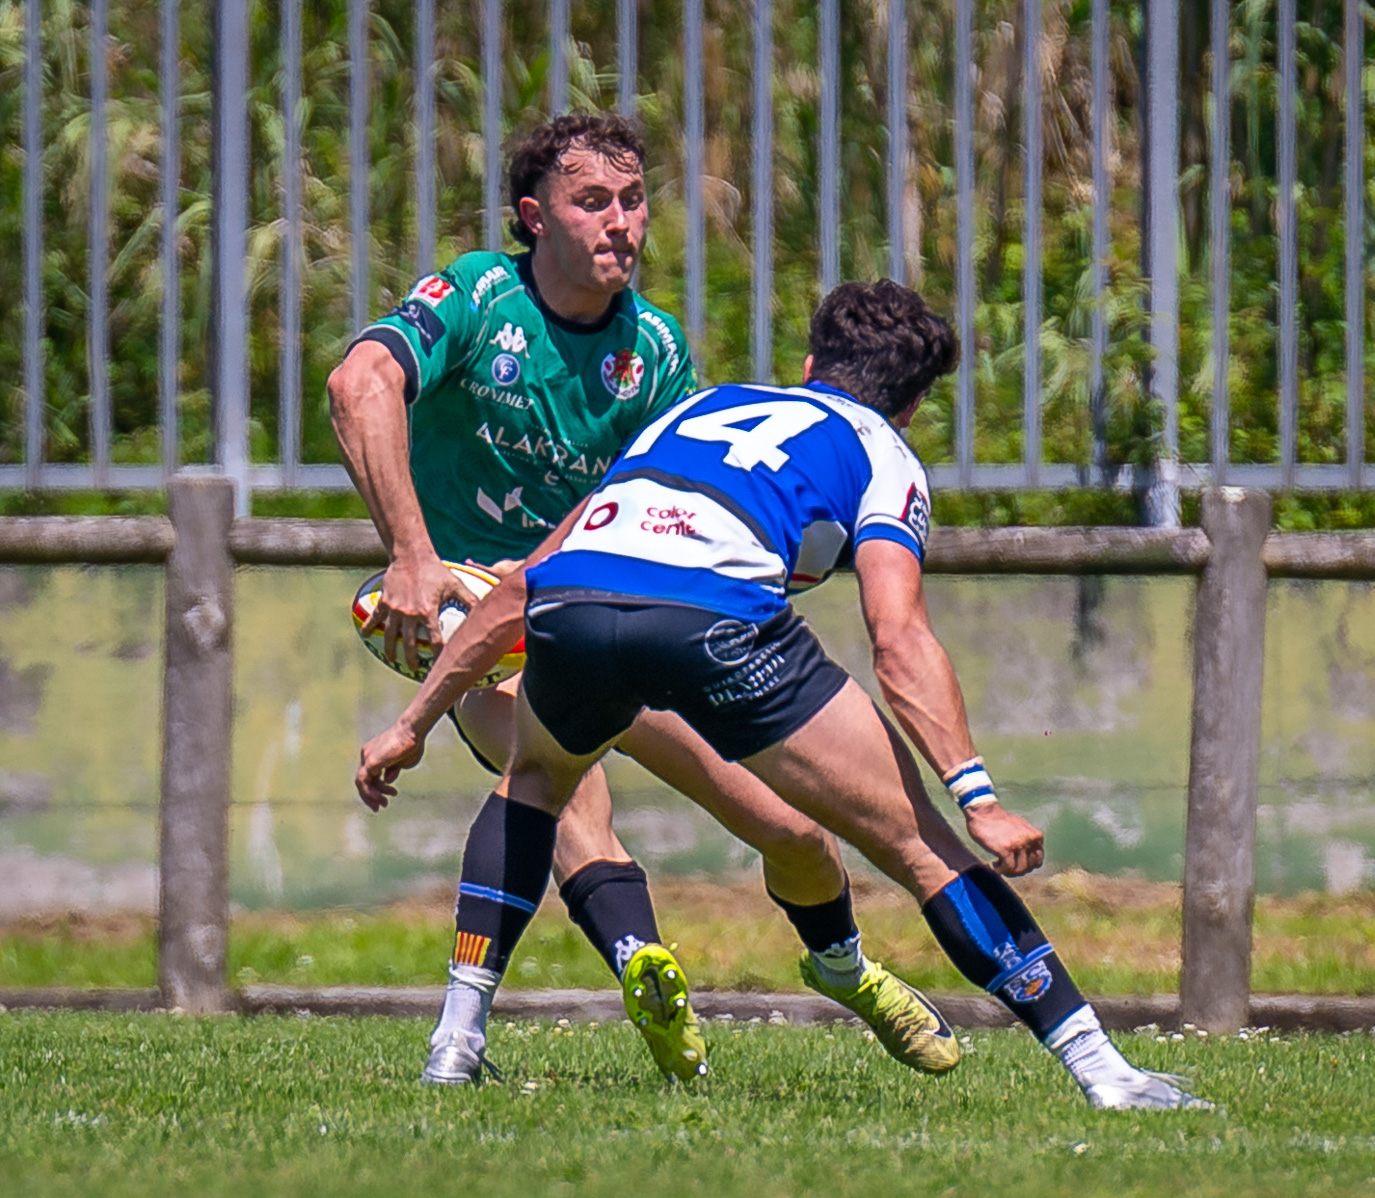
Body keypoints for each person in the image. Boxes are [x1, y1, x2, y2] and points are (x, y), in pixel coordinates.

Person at [355, 281, 1206, 1110]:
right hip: (717, 620)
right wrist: (976, 795)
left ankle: (455, 1044)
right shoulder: (882, 451)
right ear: (912, 406)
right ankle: (1104, 1073)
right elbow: (898, 638)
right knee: (923, 848)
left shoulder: (696, 408)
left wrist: (411, 724)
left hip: (574, 609)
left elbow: (526, 582)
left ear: (808, 365)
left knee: (536, 785)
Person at [328, 114, 956, 1085]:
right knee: (559, 787)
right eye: (592, 201)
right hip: (481, 616)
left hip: (612, 602)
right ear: (535, 216)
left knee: (793, 828)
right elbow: (358, 381)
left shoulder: (654, 349)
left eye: (632, 201)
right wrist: (414, 557)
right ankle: (549, 1000)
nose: (621, 221)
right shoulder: (478, 297)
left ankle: (844, 967)